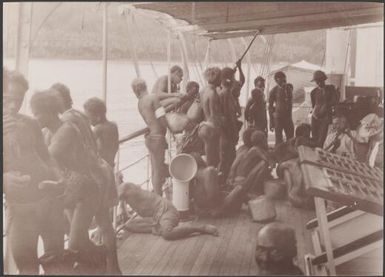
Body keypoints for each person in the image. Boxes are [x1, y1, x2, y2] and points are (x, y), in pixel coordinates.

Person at [51, 84, 121, 274]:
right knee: (103, 222)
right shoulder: (79, 115)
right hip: (101, 170)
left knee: (78, 229)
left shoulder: (66, 121)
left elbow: (57, 151)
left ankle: (95, 261)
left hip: (89, 176)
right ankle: (112, 266)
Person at [3, 71, 65, 274]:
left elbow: (46, 156)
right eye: (8, 99)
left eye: (19, 100)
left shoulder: (30, 123)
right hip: (22, 210)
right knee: (27, 268)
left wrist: (58, 175)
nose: (13, 106)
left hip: (50, 203)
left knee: (55, 264)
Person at [117, 182, 219, 240]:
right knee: (129, 225)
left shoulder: (126, 187)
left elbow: (113, 198)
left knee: (167, 234)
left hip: (166, 210)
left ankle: (201, 228)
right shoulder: (124, 194)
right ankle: (159, 227)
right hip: (155, 216)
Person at [132, 78, 179, 196]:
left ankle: (157, 196)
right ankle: (159, 199)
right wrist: (172, 131)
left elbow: (150, 119)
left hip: (150, 138)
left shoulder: (140, 102)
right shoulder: (153, 98)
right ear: (145, 86)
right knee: (158, 171)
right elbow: (161, 117)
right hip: (157, 137)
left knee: (155, 169)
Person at [217, 67, 240, 184]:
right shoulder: (226, 95)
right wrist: (235, 134)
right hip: (227, 134)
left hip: (224, 134)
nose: (235, 81)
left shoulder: (223, 93)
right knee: (227, 160)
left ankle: (222, 183)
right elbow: (230, 117)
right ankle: (222, 184)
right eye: (233, 78)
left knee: (225, 160)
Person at [83, 97, 119, 168]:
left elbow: (86, 143)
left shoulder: (98, 128)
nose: (87, 121)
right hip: (111, 163)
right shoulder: (113, 125)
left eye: (88, 118)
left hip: (102, 166)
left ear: (98, 117)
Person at [198, 67, 223, 167]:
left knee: (209, 155)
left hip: (204, 126)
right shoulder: (213, 93)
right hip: (211, 127)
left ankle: (209, 176)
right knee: (214, 159)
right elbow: (214, 115)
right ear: (217, 78)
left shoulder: (204, 90)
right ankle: (212, 178)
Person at [310, 70, 338, 147]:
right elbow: (313, 105)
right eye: (317, 81)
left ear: (324, 80)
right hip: (315, 117)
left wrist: (326, 105)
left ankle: (319, 154)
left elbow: (335, 100)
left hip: (325, 117)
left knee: (321, 140)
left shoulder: (330, 89)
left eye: (320, 81)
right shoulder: (313, 92)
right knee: (314, 138)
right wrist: (315, 113)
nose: (319, 83)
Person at [268, 71, 294, 147]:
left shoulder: (289, 89)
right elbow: (270, 107)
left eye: (285, 81)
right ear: (276, 80)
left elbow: (290, 103)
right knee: (279, 140)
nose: (284, 83)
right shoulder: (273, 91)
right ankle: (278, 156)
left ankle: (289, 156)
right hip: (278, 118)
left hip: (288, 118)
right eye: (282, 81)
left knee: (291, 138)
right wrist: (271, 122)